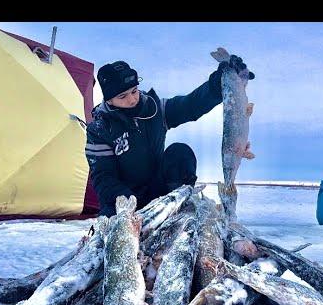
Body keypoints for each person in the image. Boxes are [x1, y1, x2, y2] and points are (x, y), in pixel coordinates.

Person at [85, 55, 253, 217]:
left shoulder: (155, 109)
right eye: (122, 96)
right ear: (109, 100)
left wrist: (217, 84)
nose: (132, 99)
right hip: (122, 201)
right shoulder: (99, 130)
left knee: (180, 153)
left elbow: (190, 105)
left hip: (158, 191)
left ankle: (178, 207)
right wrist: (131, 207)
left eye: (134, 91)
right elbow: (103, 177)